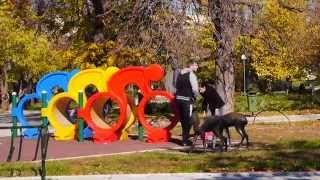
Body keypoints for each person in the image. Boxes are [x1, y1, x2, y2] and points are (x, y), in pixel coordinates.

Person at [175, 60, 201, 146]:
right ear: (192, 65)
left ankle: (184, 138)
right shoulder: (192, 75)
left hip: (178, 99)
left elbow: (176, 85)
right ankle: (185, 140)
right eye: (196, 65)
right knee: (188, 120)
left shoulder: (179, 73)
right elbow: (195, 89)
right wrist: (199, 97)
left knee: (183, 120)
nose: (197, 67)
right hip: (187, 100)